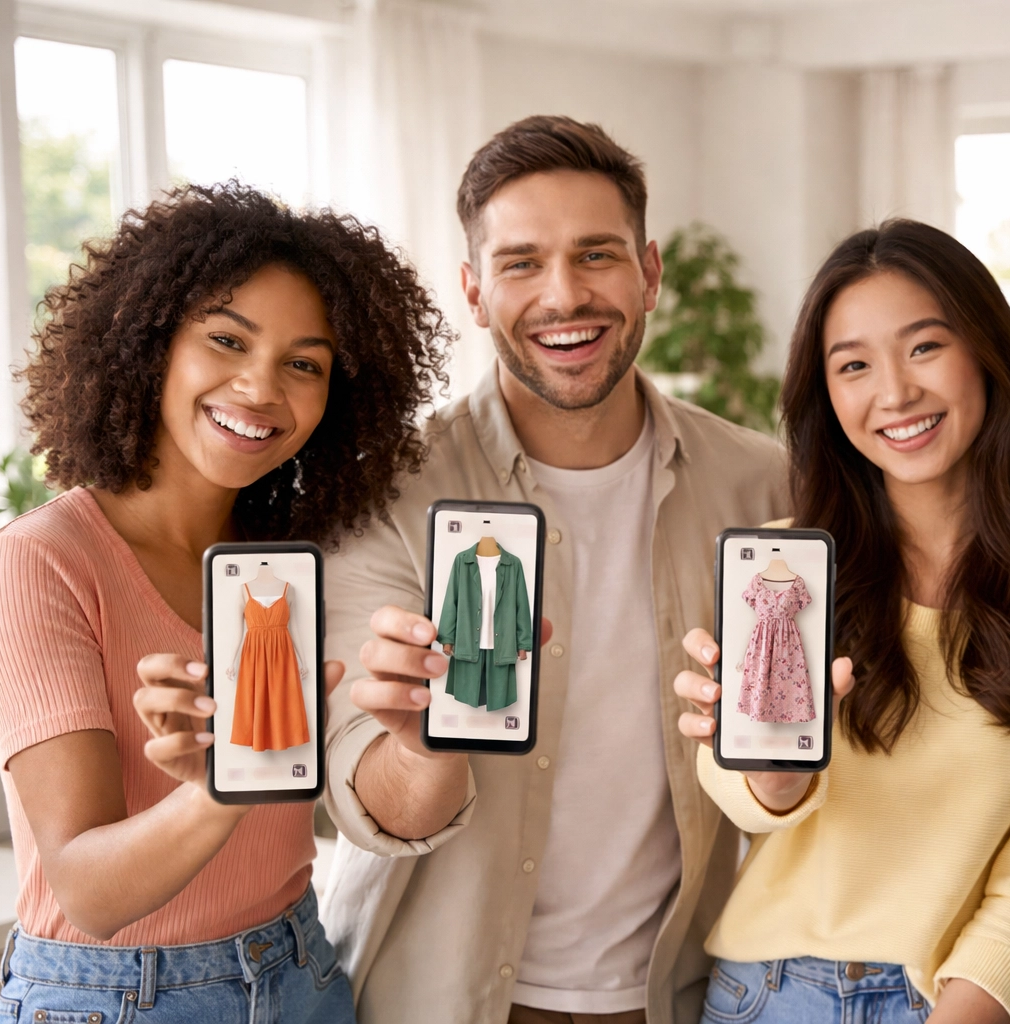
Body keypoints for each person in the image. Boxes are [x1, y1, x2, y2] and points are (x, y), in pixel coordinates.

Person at [316, 116, 786, 1024]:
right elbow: (377, 806)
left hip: (680, 999)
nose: (564, 296)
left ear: (650, 274)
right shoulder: (386, 494)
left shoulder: (761, 484)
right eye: (522, 263)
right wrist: (423, 745)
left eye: (596, 255)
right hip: (439, 1000)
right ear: (474, 291)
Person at [0, 182, 451, 1023]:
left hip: (301, 971)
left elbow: (386, 796)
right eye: (227, 340)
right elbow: (87, 892)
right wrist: (220, 788)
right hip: (112, 999)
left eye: (304, 364)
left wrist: (426, 729)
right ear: (150, 343)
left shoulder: (297, 560)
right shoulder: (42, 558)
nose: (260, 387)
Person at [673, 220, 1010, 1024]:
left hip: (965, 1002)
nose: (895, 392)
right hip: (771, 995)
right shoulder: (783, 570)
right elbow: (743, 796)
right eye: (854, 366)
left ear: (987, 352)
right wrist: (773, 774)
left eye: (924, 347)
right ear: (827, 395)